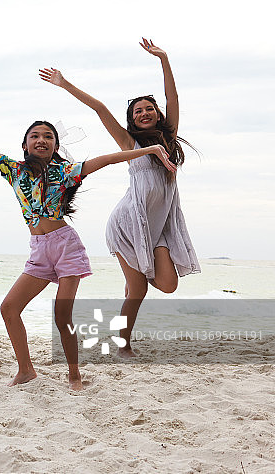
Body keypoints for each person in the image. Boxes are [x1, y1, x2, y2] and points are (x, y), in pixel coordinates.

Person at [0, 93, 177, 389]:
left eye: (48, 137)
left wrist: (149, 151)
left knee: (61, 314)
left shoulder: (65, 172)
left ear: (56, 146)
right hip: (39, 250)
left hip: (66, 246)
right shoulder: (13, 170)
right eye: (35, 136)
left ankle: (74, 374)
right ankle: (26, 369)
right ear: (25, 145)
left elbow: (107, 160)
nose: (41, 140)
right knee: (9, 308)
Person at [39, 38, 200, 357]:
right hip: (129, 223)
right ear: (132, 118)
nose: (144, 113)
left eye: (149, 109)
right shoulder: (129, 144)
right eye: (138, 110)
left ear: (157, 114)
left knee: (167, 284)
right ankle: (122, 343)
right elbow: (99, 108)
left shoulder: (168, 141)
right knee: (139, 288)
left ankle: (128, 297)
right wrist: (64, 83)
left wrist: (163, 59)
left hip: (160, 228)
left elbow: (173, 96)